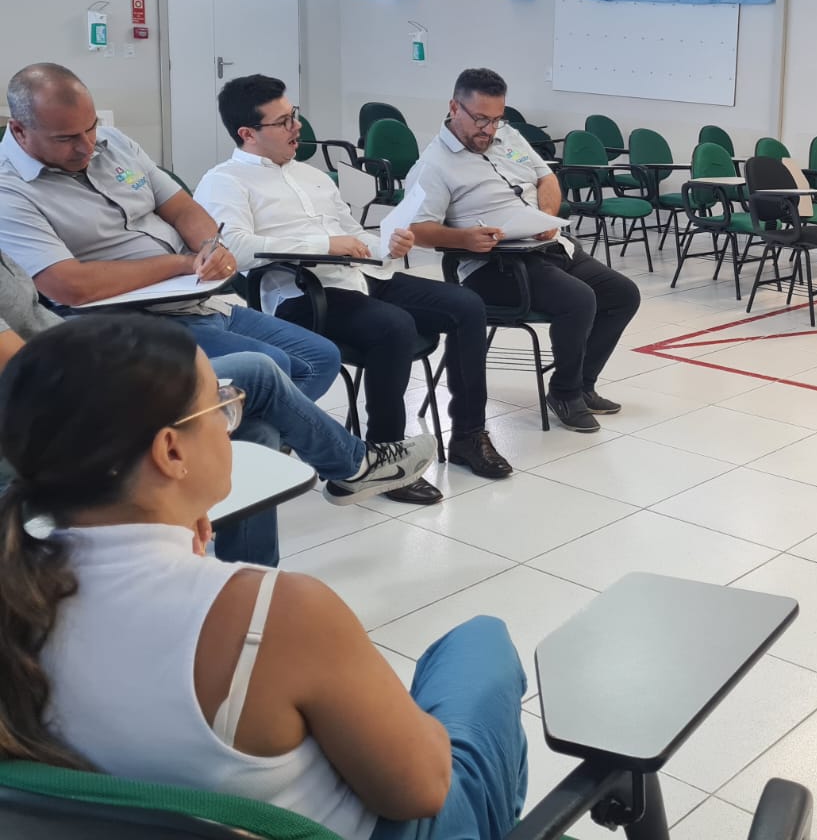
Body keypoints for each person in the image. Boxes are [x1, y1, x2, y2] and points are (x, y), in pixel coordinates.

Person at [0, 315, 528, 838]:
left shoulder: (18, 594)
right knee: (480, 644)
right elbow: (420, 793)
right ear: (171, 451)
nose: (232, 420)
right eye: (219, 404)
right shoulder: (276, 614)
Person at [0, 249, 431, 566]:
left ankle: (247, 583)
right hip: (63, 408)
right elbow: (27, 367)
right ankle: (353, 466)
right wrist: (122, 372)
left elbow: (43, 323)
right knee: (258, 371)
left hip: (104, 362)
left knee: (257, 430)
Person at [198, 76, 512, 505]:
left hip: (361, 278)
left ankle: (468, 435)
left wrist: (387, 245)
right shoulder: (225, 181)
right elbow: (234, 248)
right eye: (284, 121)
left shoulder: (312, 176)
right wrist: (325, 245)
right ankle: (384, 457)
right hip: (302, 295)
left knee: (467, 305)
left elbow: (351, 233)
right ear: (247, 133)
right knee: (393, 326)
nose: (297, 127)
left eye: (295, 116)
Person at [0, 63, 339, 397]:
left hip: (194, 301)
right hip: (124, 320)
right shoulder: (8, 190)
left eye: (91, 128)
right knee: (270, 369)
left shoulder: (113, 142)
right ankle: (221, 425)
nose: (87, 146)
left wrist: (210, 247)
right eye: (66, 138)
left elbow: (182, 207)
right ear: (19, 130)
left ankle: (227, 425)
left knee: (321, 358)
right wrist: (181, 264)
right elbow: (70, 287)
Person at [404, 68, 641, 435]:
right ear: (454, 108)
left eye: (495, 119)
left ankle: (581, 383)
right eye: (480, 119)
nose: (488, 129)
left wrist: (545, 215)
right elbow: (417, 230)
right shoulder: (432, 166)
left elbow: (547, 178)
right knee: (578, 300)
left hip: (547, 246)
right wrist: (464, 238)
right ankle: (564, 393)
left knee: (623, 294)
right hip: (493, 266)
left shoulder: (509, 135)